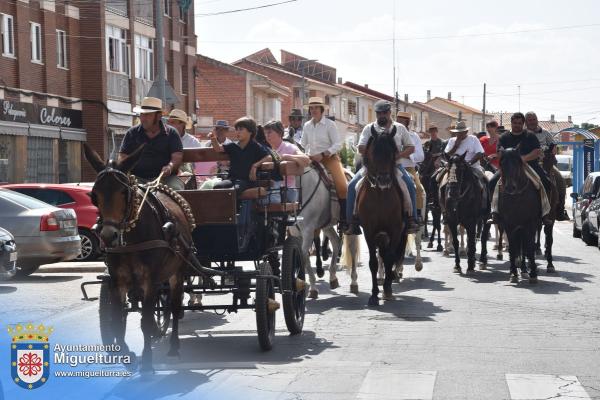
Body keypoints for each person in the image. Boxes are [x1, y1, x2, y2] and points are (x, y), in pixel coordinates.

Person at [345, 100, 419, 234]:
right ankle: (352, 221)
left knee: (409, 185)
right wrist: (374, 155)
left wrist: (398, 155)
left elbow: (411, 147)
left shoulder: (400, 128)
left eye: (384, 113)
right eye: (379, 113)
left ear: (390, 113)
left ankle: (411, 219)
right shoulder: (368, 128)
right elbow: (361, 147)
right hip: (372, 167)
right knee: (352, 186)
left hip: (394, 166)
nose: (381, 116)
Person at [488, 112, 552, 225]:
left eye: (519, 123)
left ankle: (545, 214)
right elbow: (499, 152)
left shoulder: (530, 136)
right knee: (492, 182)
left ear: (523, 124)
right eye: (514, 123)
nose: (517, 125)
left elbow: (537, 152)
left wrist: (522, 159)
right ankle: (494, 213)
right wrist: (509, 158)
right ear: (511, 123)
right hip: (509, 167)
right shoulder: (504, 137)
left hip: (529, 165)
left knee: (546, 182)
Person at [300, 97, 348, 226]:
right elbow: (302, 144)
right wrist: (302, 154)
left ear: (322, 109)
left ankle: (345, 218)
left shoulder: (330, 124)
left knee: (342, 186)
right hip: (310, 159)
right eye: (311, 108)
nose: (313, 110)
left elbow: (338, 144)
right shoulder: (307, 125)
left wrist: (323, 154)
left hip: (329, 158)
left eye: (316, 107)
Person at [119, 97, 184, 190]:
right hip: (136, 178)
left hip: (165, 179)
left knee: (176, 188)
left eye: (147, 115)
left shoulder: (172, 133)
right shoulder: (132, 133)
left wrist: (170, 167)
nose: (143, 118)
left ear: (158, 116)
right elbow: (123, 156)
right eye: (141, 114)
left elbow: (177, 157)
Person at [208, 116, 272, 195]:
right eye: (236, 129)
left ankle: (234, 207)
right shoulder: (232, 145)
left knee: (235, 190)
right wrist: (213, 138)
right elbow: (218, 149)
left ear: (250, 132)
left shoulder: (255, 146)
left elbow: (269, 157)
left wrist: (255, 166)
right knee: (217, 187)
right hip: (232, 179)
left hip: (247, 181)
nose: (237, 132)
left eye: (241, 129)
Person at [525, 111, 569, 221]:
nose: (532, 122)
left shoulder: (545, 132)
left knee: (560, 181)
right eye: (529, 120)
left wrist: (550, 153)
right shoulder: (522, 133)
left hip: (544, 163)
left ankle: (560, 210)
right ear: (525, 122)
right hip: (526, 163)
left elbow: (553, 145)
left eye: (533, 119)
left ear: (537, 120)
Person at [442, 121, 488, 213]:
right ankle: (443, 208)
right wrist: (455, 146)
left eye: (461, 132)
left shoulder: (473, 139)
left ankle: (485, 207)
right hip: (454, 168)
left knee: (484, 180)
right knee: (440, 181)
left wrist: (469, 163)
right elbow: (446, 155)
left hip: (472, 166)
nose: (459, 134)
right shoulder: (452, 141)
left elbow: (480, 153)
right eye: (458, 132)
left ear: (466, 132)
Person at [264, 120, 310, 202]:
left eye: (269, 132)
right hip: (269, 190)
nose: (267, 136)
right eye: (265, 133)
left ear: (279, 133)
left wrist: (287, 157)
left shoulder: (289, 147)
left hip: (286, 191)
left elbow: (306, 160)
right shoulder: (265, 149)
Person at [396, 111, 426, 222]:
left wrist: (408, 155)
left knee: (417, 188)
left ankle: (416, 215)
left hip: (409, 168)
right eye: (397, 120)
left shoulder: (414, 136)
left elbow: (421, 156)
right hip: (392, 167)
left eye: (401, 121)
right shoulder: (392, 133)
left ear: (407, 122)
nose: (398, 123)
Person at [167, 109, 201, 178]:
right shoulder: (164, 139)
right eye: (169, 122)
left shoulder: (193, 142)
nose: (169, 125)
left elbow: (198, 166)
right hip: (168, 174)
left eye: (173, 122)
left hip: (187, 176)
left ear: (182, 124)